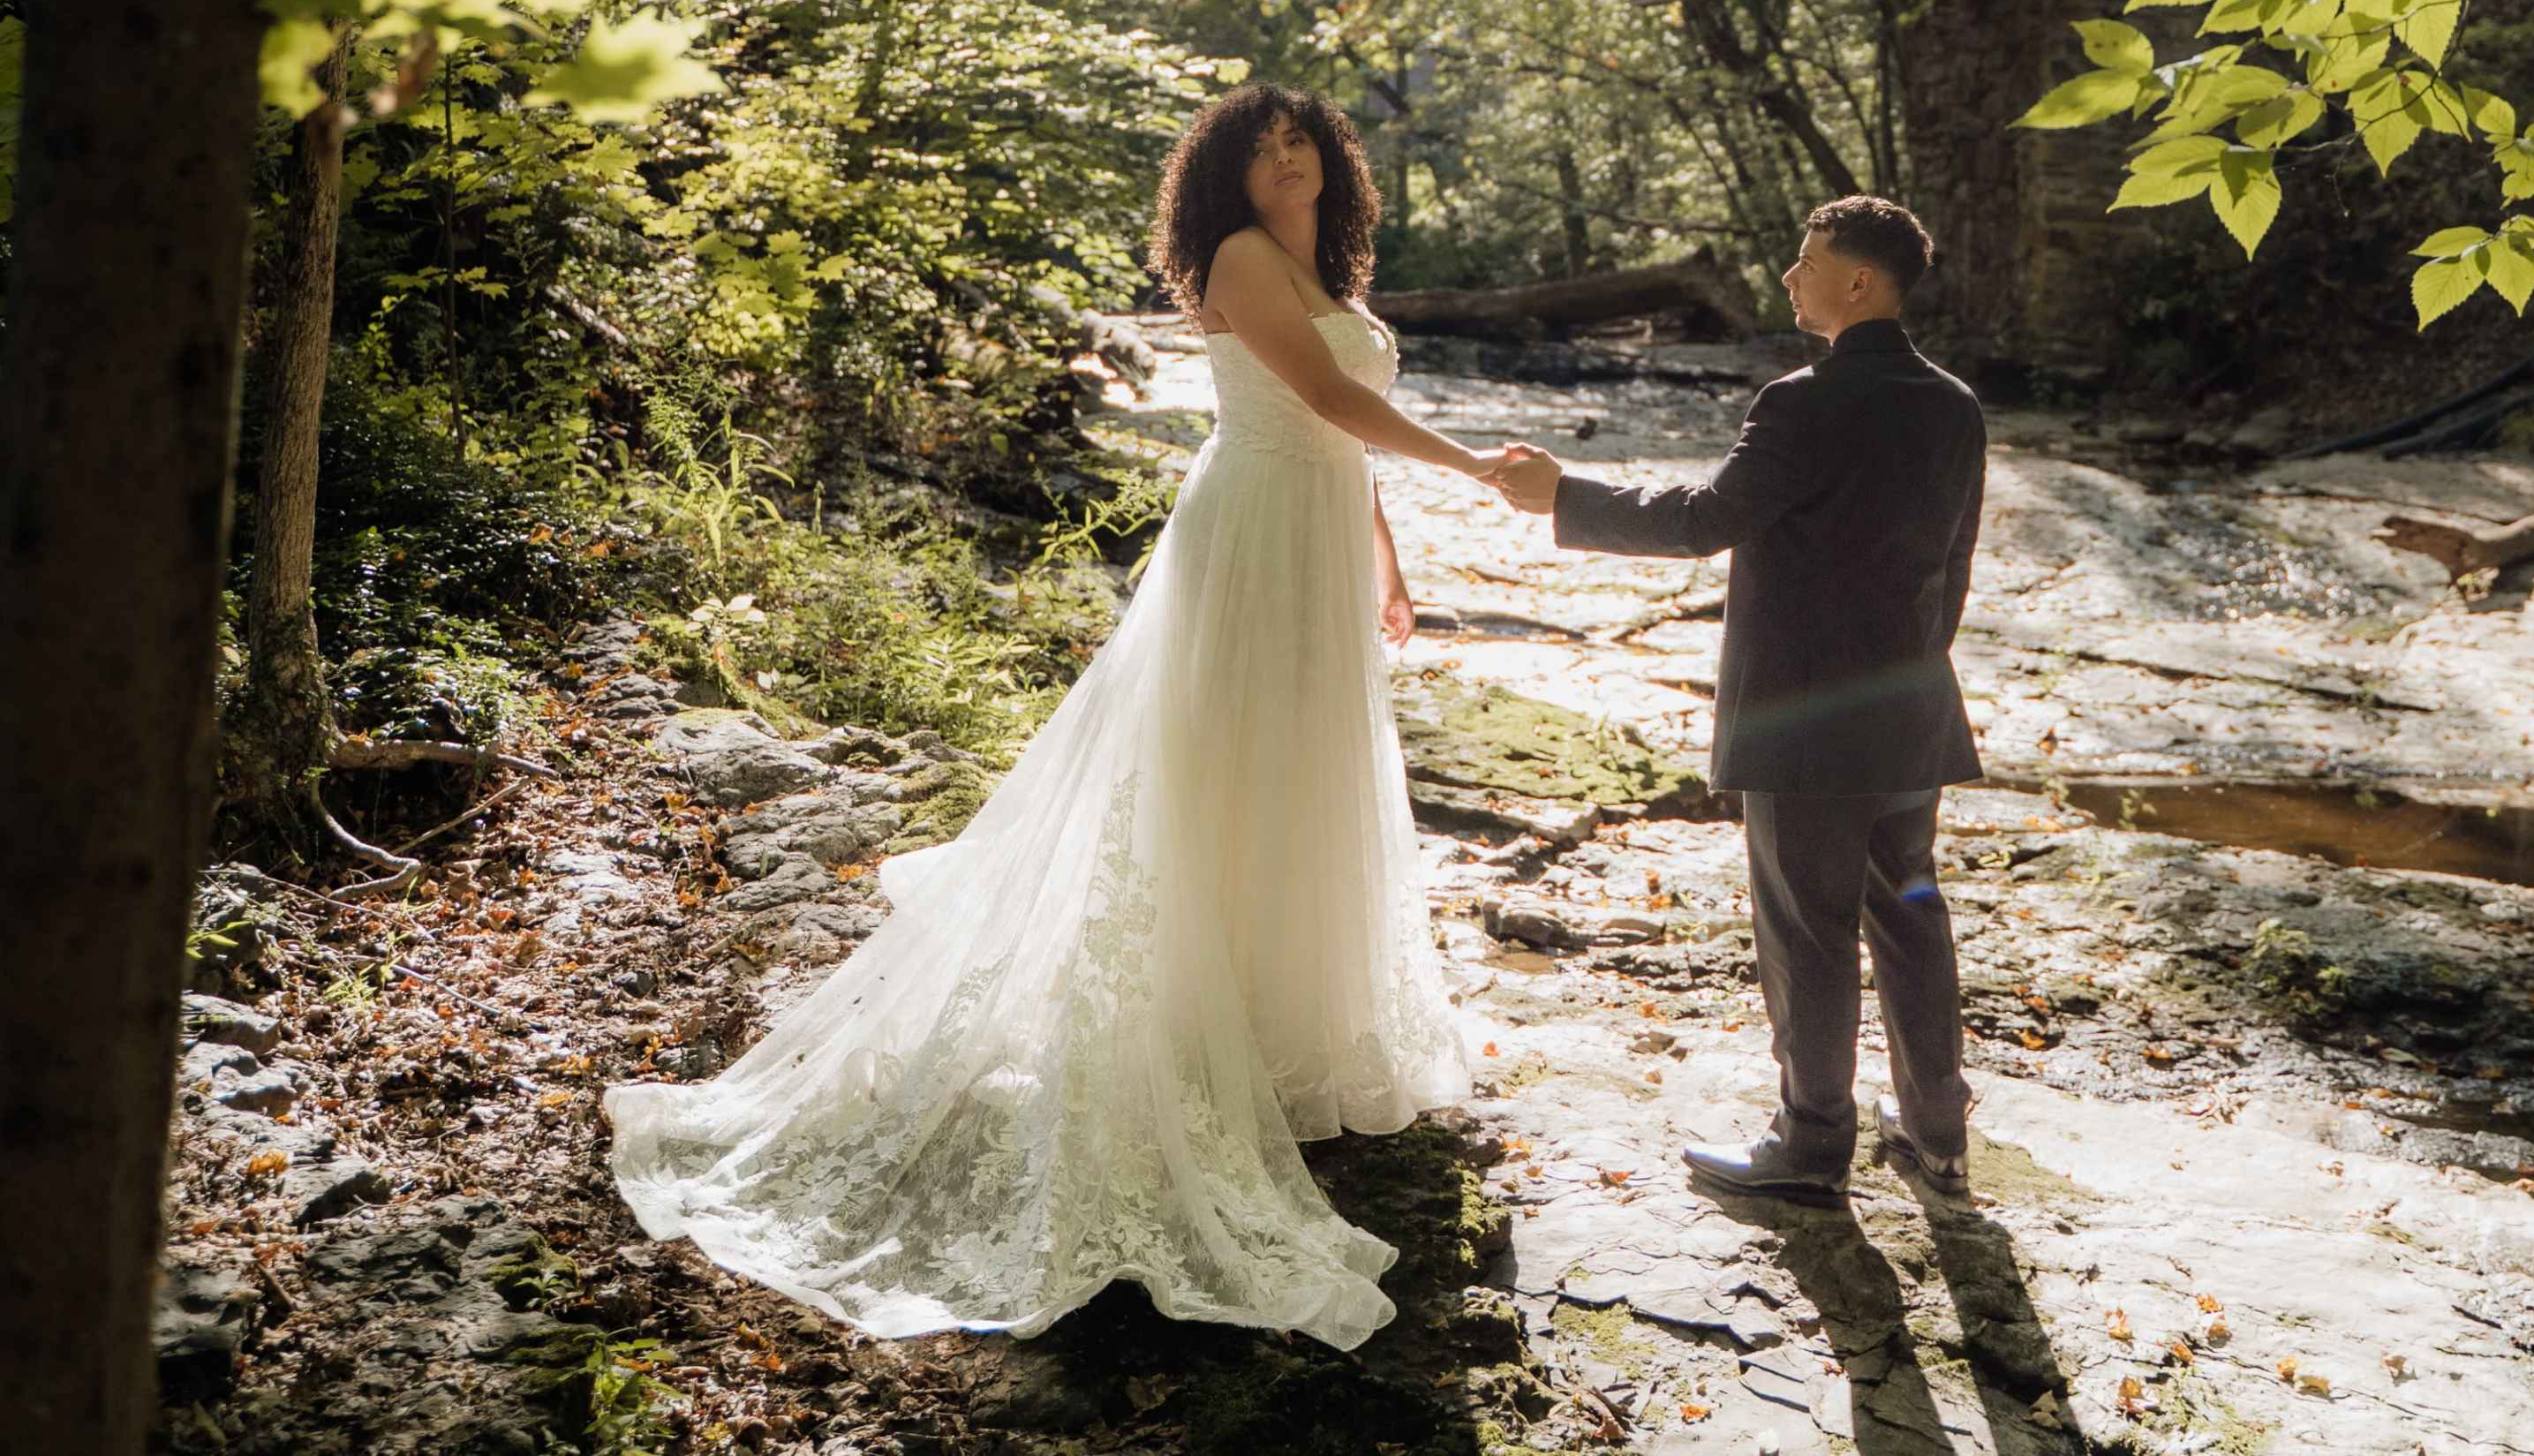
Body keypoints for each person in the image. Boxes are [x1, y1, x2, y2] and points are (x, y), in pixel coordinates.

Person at [604, 85, 1510, 1347]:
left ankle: (1281, 1026)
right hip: (1249, 536)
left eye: (1301, 139)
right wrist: (1476, 466)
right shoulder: (1243, 258)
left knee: (1305, 774)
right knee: (1225, 766)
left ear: (1331, 163)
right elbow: (1322, 401)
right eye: (1262, 148)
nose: (1288, 157)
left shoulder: (1335, 275)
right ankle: (1199, 1021)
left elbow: (1344, 439)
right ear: (1229, 182)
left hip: (1316, 530)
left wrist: (1389, 555)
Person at [1489, 195, 1987, 1203]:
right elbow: (1957, 564)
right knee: (1912, 916)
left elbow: (1705, 520)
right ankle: (1937, 1136)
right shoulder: (1956, 405)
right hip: (1911, 711)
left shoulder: (1801, 401)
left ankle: (1810, 1149)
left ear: (1859, 282)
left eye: (1808, 263)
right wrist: (1915, 672)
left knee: (1808, 932)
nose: (1791, 279)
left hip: (1805, 725)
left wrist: (1566, 497)